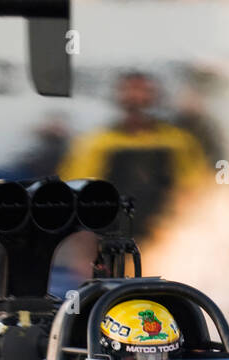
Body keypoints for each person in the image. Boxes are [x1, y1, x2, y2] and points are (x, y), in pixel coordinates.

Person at [58, 72, 206, 241]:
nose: (137, 97)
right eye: (130, 91)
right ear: (119, 96)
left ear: (156, 96)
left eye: (144, 91)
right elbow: (78, 191)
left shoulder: (178, 141)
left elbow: (194, 187)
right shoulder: (96, 142)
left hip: (168, 232)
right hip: (111, 235)